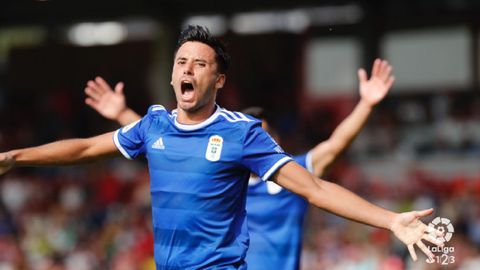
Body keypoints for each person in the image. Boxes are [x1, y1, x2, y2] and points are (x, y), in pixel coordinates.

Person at [0, 25, 443, 269]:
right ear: (173, 77)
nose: (187, 69)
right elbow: (83, 150)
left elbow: (314, 188)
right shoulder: (153, 125)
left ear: (219, 80)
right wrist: (14, 157)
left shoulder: (242, 134)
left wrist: (391, 221)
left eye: (200, 63)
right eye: (180, 62)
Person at [85, 59, 397, 270]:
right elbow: (165, 142)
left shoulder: (292, 177)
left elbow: (334, 145)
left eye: (260, 138)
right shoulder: (217, 177)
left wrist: (366, 104)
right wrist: (122, 113)